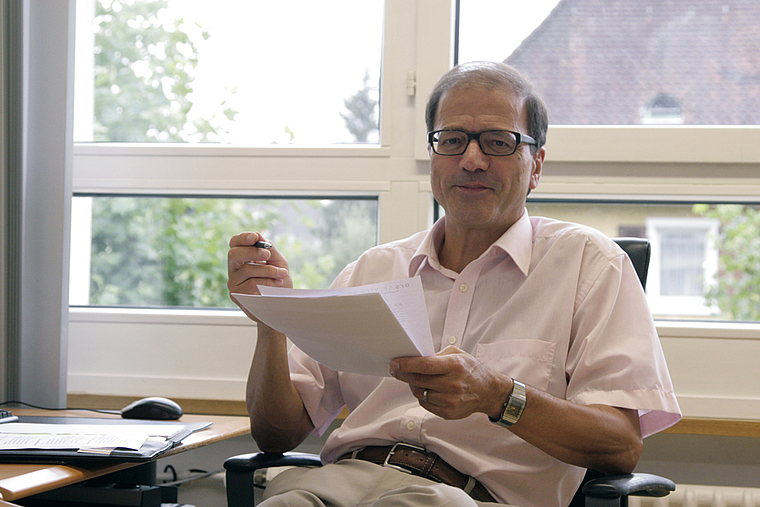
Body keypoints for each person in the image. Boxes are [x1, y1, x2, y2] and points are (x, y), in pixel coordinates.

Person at [227, 61, 681, 507]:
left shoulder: (590, 265)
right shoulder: (373, 269)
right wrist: (272, 320)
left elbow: (620, 446)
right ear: (433, 156)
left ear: (536, 165)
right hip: (338, 484)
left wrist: (498, 395)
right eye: (453, 140)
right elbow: (276, 433)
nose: (471, 160)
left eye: (499, 143)